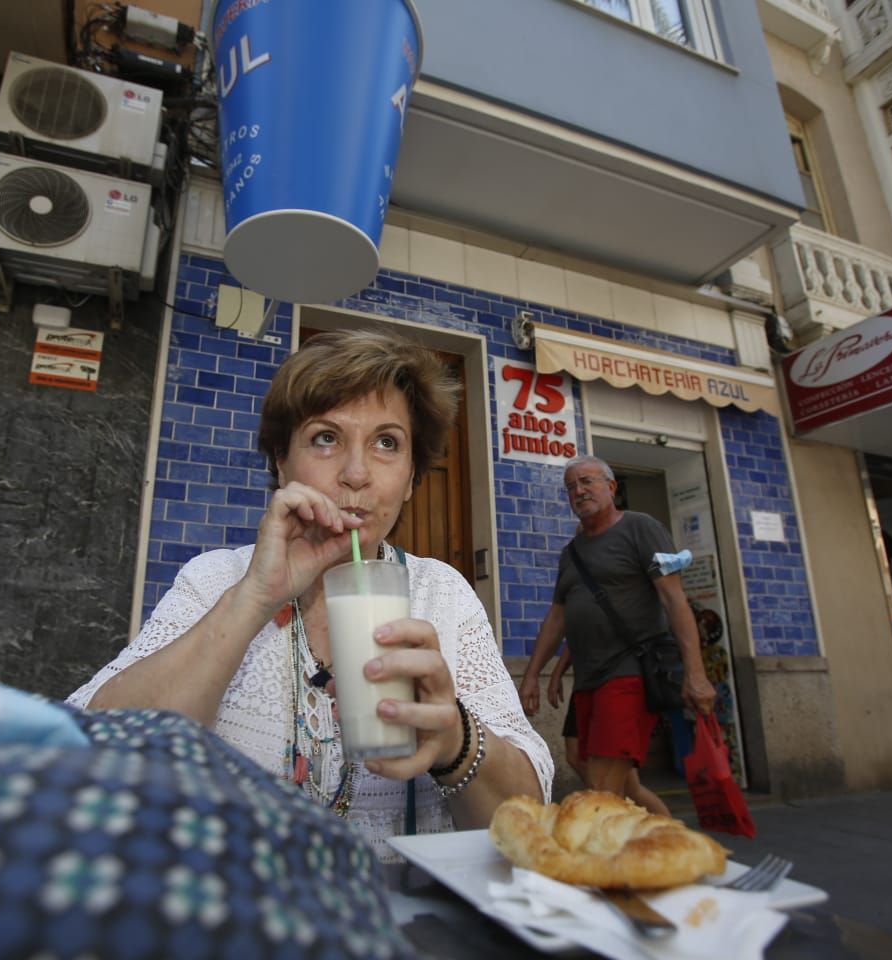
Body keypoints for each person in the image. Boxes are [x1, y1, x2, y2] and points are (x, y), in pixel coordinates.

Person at [68, 329, 550, 858]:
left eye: (387, 443)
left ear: (412, 478)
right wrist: (254, 597)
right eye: (326, 438)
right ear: (281, 462)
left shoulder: (442, 593)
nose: (356, 474)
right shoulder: (217, 580)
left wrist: (455, 739)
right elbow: (89, 756)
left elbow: (528, 813)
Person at [518, 455, 714, 815]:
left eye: (587, 482)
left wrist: (696, 674)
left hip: (629, 671)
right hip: (589, 676)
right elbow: (559, 617)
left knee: (605, 786)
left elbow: (674, 600)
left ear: (611, 487)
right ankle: (668, 838)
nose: (578, 491)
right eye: (571, 487)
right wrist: (535, 674)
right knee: (590, 763)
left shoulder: (641, 527)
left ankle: (610, 863)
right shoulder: (572, 553)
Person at [545, 644, 587, 784]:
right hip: (585, 682)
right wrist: (557, 674)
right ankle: (603, 795)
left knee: (628, 781)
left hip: (612, 680)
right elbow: (574, 635)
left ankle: (609, 798)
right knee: (574, 754)